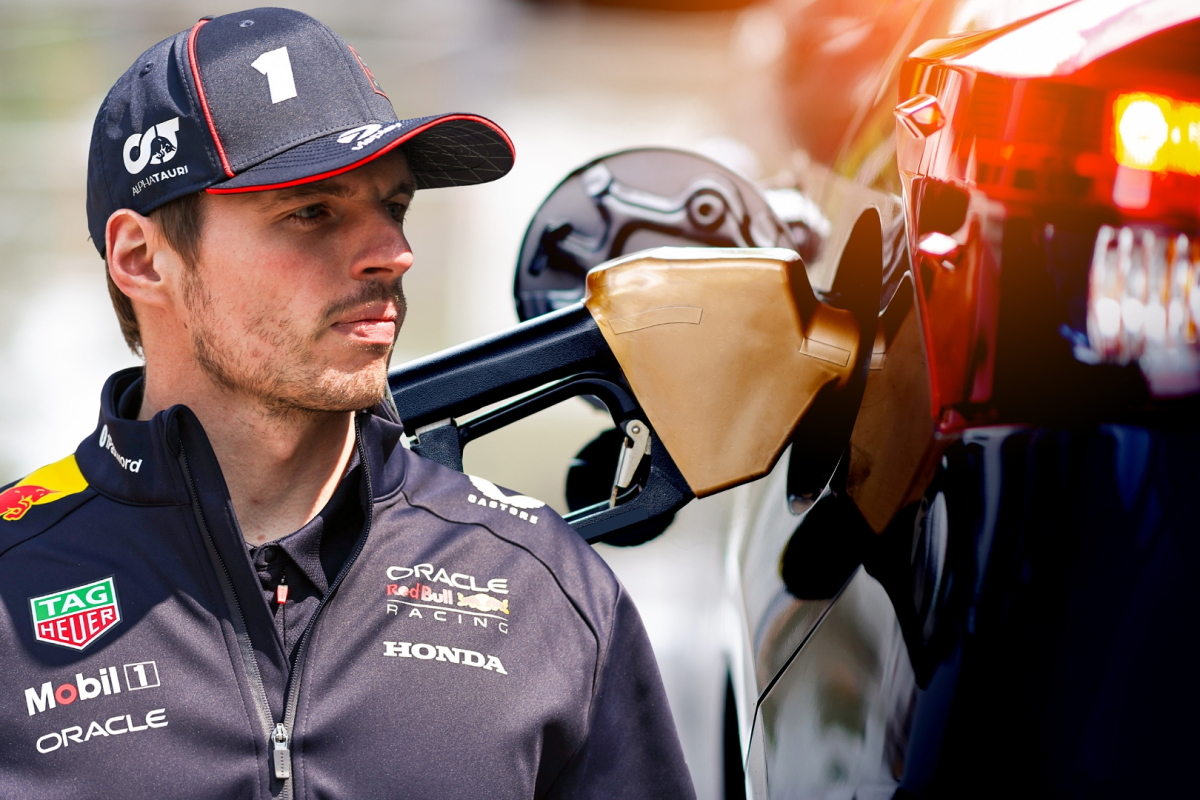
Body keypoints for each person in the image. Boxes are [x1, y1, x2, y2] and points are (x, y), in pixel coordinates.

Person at [0, 8, 695, 799]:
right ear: (141, 258)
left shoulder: (542, 585)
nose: (394, 254)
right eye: (312, 212)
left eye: (394, 208)